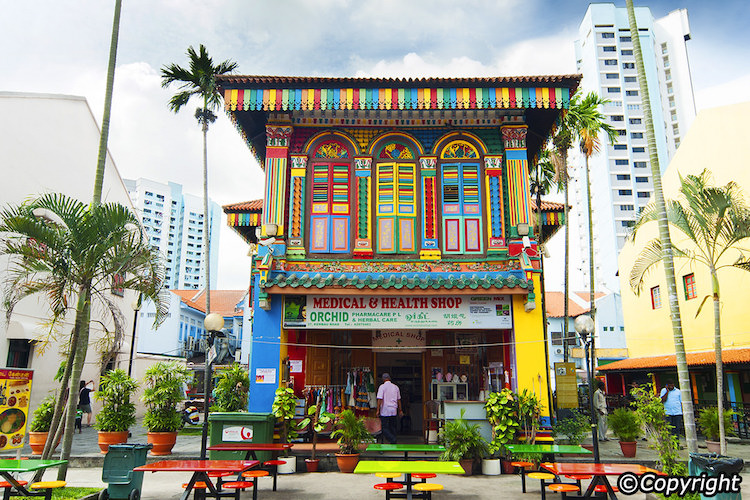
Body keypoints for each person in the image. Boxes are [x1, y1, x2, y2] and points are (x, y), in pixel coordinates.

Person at [376, 373, 402, 444]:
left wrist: (378, 410)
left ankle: (392, 439)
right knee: (392, 426)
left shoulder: (382, 387)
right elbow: (398, 400)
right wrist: (400, 410)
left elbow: (380, 399)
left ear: (383, 379)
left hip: (385, 410)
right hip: (393, 409)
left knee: (384, 427)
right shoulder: (396, 387)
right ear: (389, 379)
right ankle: (393, 441)